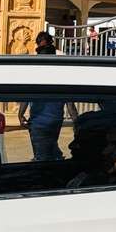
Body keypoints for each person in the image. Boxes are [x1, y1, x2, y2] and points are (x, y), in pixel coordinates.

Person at [17, 32, 77, 162]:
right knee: (50, 149)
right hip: (55, 121)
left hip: (39, 123)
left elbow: (25, 97)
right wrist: (77, 122)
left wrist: (20, 115)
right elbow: (70, 104)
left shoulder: (34, 73)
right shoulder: (62, 73)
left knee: (42, 158)